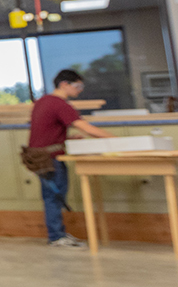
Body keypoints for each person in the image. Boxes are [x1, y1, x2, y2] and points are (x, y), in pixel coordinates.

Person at [28, 69, 114, 248]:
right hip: (50, 159)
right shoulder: (60, 104)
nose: (79, 90)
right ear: (64, 84)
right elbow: (86, 128)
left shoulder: (42, 101)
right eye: (77, 86)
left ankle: (57, 234)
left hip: (39, 157)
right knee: (54, 197)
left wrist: (65, 139)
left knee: (51, 196)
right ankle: (56, 236)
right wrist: (116, 140)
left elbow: (45, 132)